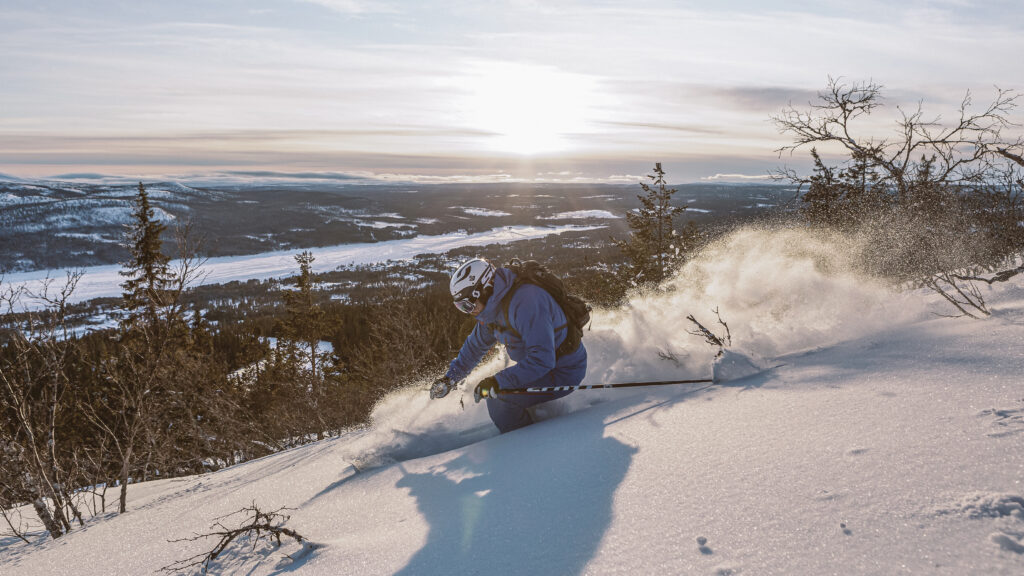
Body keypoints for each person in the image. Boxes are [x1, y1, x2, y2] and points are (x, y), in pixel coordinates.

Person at [429, 257, 588, 433]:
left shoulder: (526, 302)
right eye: (460, 307)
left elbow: (542, 359)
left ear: (485, 289)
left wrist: (498, 381)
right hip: (542, 368)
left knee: (499, 398)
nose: (468, 311)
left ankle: (528, 448)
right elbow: (474, 348)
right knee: (499, 392)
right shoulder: (491, 310)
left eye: (467, 305)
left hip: (564, 370)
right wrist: (451, 378)